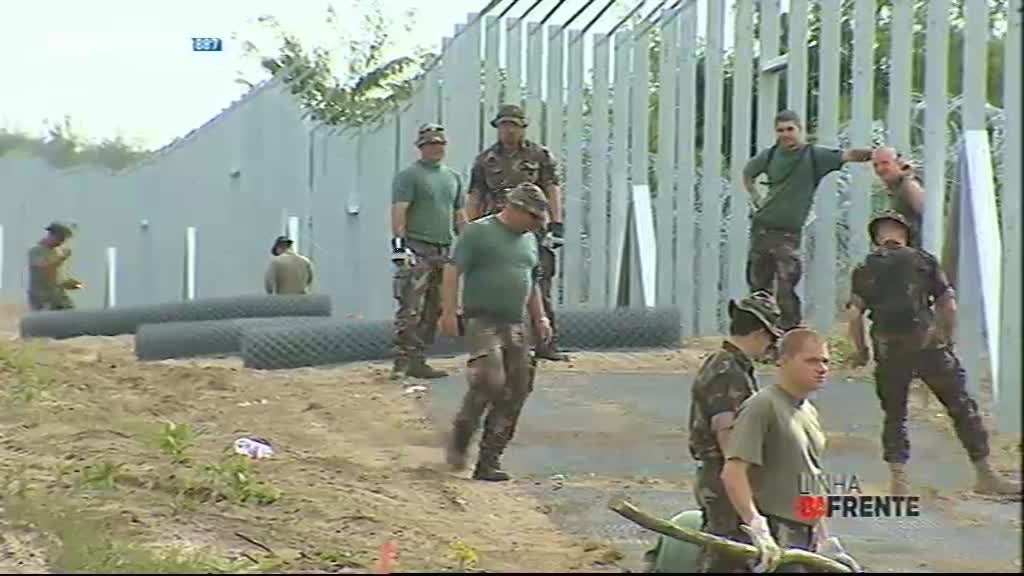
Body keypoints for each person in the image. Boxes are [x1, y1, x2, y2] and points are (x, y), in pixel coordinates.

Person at [846, 211, 1019, 496]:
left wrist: (862, 351)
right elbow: (947, 304)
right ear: (905, 234)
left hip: (889, 349)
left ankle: (899, 481)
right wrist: (944, 337)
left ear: (876, 237)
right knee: (961, 407)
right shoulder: (922, 260)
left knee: (895, 415)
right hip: (927, 345)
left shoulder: (865, 268)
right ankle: (986, 475)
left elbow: (854, 315)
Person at [721, 329, 859, 573]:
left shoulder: (809, 411)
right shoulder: (763, 405)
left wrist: (824, 538)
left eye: (825, 361)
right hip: (776, 528)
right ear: (783, 361)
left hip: (805, 531)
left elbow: (809, 478)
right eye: (811, 361)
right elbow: (733, 472)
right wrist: (757, 527)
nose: (822, 368)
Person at [440, 183, 552, 481]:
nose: (535, 224)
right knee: (490, 378)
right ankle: (462, 434)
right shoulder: (478, 233)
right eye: (532, 216)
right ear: (513, 208)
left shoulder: (528, 240)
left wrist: (540, 318)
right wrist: (448, 311)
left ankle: (489, 460)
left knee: (517, 387)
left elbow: (531, 282)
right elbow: (452, 270)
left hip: (515, 323)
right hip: (483, 320)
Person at [743, 110, 875, 330]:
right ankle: (761, 335)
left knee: (786, 285)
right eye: (780, 130)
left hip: (788, 233)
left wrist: (877, 155)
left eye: (790, 129)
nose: (785, 134)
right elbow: (748, 172)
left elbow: (848, 155)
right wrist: (756, 197)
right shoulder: (770, 155)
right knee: (759, 288)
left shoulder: (813, 156)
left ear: (800, 130)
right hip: (763, 227)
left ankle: (790, 332)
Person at [685, 290, 783, 573]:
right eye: (771, 338)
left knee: (727, 551)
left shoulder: (731, 365)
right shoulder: (726, 369)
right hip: (724, 476)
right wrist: (740, 478)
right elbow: (726, 430)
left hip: (725, 474)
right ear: (759, 332)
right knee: (727, 556)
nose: (770, 346)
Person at [467, 103, 567, 362]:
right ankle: (500, 344)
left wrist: (557, 224)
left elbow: (552, 188)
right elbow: (475, 194)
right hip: (496, 229)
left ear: (522, 127)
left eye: (513, 125)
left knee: (539, 282)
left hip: (533, 228)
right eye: (503, 125)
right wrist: (469, 227)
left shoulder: (540, 155)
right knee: (501, 284)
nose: (508, 130)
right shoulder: (485, 159)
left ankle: (546, 343)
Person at [390, 123, 468, 380]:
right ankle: (403, 360)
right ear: (421, 147)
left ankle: (419, 359)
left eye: (439, 144)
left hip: (442, 248)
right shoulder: (409, 176)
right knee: (411, 305)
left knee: (434, 306)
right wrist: (400, 247)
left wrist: (468, 242)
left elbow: (459, 215)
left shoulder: (453, 178)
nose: (435, 148)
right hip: (417, 246)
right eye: (430, 144)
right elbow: (400, 210)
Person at [871, 147, 924, 247]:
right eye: (875, 165)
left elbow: (929, 218)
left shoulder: (909, 186)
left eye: (885, 163)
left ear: (898, 163)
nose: (879, 169)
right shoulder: (895, 187)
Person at [27, 222, 81, 311]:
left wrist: (75, 285)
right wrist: (61, 259)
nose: (62, 242)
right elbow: (43, 267)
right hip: (42, 298)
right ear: (52, 235)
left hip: (59, 296)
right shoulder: (36, 251)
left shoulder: (57, 252)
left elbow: (59, 278)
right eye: (60, 239)